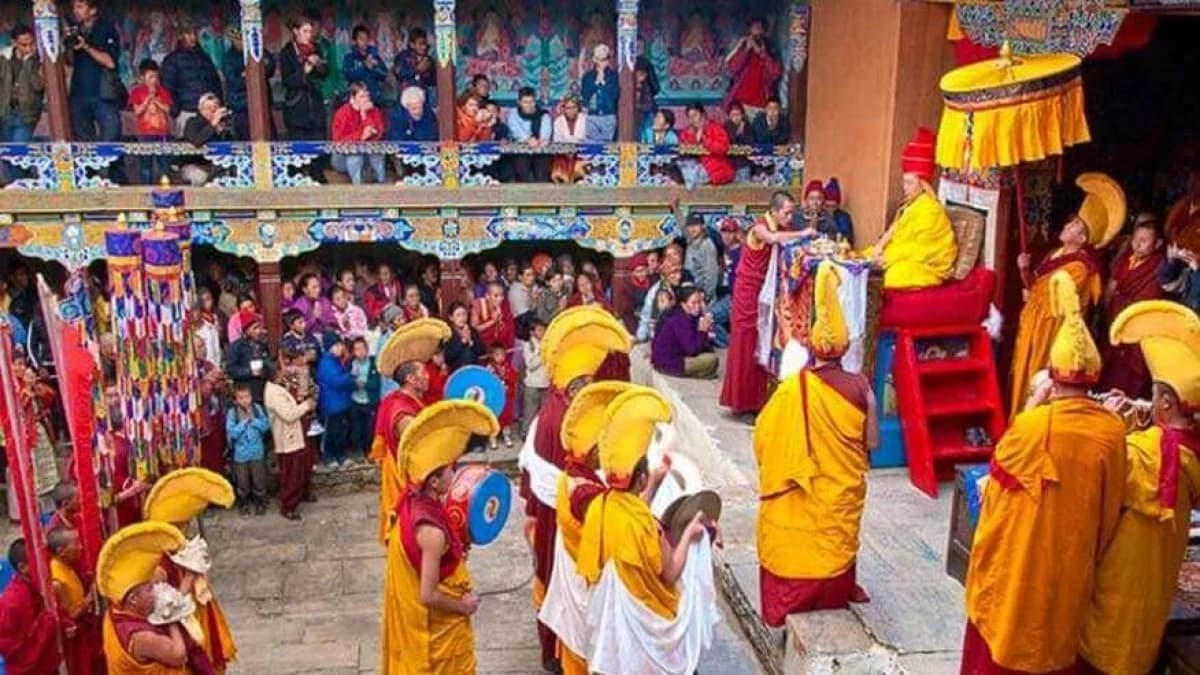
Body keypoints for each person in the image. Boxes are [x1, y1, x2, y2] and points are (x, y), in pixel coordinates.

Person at [962, 271, 1126, 674]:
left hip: (1018, 561)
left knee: (1007, 626)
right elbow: (1111, 509)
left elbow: (996, 480)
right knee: (1054, 636)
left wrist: (1035, 399)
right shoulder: (1111, 431)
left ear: (1052, 377)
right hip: (1070, 562)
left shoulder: (1033, 426)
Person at [752, 261, 877, 625]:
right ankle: (836, 589)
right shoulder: (862, 387)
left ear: (814, 348)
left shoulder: (795, 387)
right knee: (836, 531)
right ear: (844, 347)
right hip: (839, 490)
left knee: (795, 527)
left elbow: (764, 435)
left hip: (801, 492)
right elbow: (870, 442)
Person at [1080, 300, 1200, 675]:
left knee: (1108, 646)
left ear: (1164, 402)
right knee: (1140, 639)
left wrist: (1111, 424)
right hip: (1157, 581)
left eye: (1155, 394)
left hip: (1119, 577)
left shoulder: (1146, 451)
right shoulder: (1188, 452)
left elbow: (1104, 474)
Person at [519, 306, 632, 671]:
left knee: (554, 581)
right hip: (570, 520)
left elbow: (530, 476)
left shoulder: (550, 408)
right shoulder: (567, 420)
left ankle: (555, 652)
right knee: (574, 588)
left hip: (553, 514)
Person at [575, 387, 715, 674]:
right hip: (646, 617)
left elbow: (633, 508)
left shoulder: (602, 506)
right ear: (638, 478)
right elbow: (670, 572)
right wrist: (690, 534)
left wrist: (653, 483)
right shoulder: (647, 526)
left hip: (615, 622)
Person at [379, 400, 498, 673]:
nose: (454, 474)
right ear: (433, 481)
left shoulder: (410, 500)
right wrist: (462, 606)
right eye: (448, 470)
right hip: (438, 632)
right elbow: (428, 595)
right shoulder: (431, 531)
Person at [538, 381, 633, 674]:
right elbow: (611, 534)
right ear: (591, 452)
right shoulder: (586, 493)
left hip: (572, 571)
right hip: (584, 580)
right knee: (585, 648)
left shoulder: (573, 475)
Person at [1009, 175, 1122, 418]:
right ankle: (1017, 420)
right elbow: (1035, 287)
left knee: (1037, 377)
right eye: (1071, 223)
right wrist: (1024, 270)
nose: (1068, 227)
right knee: (1021, 373)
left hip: (1049, 328)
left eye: (1076, 228)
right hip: (1032, 321)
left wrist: (1032, 294)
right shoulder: (1055, 253)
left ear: (1082, 240)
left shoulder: (1081, 268)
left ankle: (1031, 420)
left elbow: (1053, 300)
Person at [720, 191, 805, 418]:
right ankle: (741, 402)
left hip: (765, 294)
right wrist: (805, 232)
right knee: (747, 346)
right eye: (786, 213)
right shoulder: (759, 228)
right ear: (774, 211)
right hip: (748, 293)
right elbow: (773, 239)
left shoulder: (780, 228)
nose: (789, 217)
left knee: (762, 344)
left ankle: (757, 401)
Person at [371, 318, 448, 543]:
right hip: (407, 485)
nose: (427, 376)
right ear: (410, 379)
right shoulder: (402, 412)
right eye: (423, 373)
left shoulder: (401, 400)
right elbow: (419, 453)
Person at [94, 522, 200, 674]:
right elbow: (179, 655)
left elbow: (167, 594)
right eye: (149, 589)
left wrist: (188, 578)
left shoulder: (118, 608)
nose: (156, 591)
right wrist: (171, 618)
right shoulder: (142, 637)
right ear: (134, 599)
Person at [864, 127, 957, 290]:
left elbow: (922, 251)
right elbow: (895, 232)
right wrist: (879, 249)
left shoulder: (931, 210)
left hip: (927, 266)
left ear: (923, 184)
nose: (904, 187)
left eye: (909, 183)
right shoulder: (910, 205)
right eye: (904, 182)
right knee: (862, 260)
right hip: (903, 255)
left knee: (889, 277)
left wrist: (888, 258)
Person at [1099, 218, 1165, 399]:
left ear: (1157, 243)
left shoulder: (1158, 266)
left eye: (1145, 240)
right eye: (1136, 238)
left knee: (1129, 375)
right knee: (1110, 368)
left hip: (1137, 329)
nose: (1138, 243)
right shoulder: (1125, 261)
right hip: (1116, 322)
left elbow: (1151, 298)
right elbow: (1114, 288)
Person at [1, 538, 61, 674]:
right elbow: (11, 648)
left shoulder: (39, 585)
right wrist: (47, 623)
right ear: (23, 567)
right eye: (41, 561)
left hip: (48, 662)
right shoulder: (12, 602)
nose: (47, 565)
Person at [67, 0, 122, 146]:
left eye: (80, 7)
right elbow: (69, 62)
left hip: (103, 95)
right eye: (74, 7)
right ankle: (90, 170)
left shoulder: (106, 29)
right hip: (78, 94)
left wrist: (86, 46)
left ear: (92, 10)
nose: (75, 11)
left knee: (111, 141)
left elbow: (110, 62)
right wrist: (67, 44)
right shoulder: (75, 31)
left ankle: (114, 169)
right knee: (83, 146)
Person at [265, 365, 316, 520]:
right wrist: (307, 405)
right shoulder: (273, 393)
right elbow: (288, 414)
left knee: (297, 471)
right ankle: (289, 505)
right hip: (287, 439)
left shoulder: (278, 387)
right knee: (291, 474)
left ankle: (295, 498)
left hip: (292, 436)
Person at [48, 527, 101, 675]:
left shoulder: (66, 565)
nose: (81, 547)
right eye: (76, 544)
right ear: (61, 551)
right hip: (77, 636)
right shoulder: (57, 581)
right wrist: (90, 599)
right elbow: (70, 615)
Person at [280, 15, 328, 176]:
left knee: (317, 145)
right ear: (295, 31)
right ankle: (296, 179)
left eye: (310, 31)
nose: (309, 34)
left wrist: (318, 64)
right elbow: (287, 81)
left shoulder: (316, 48)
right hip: (297, 105)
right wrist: (305, 68)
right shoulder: (287, 52)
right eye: (305, 31)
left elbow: (323, 74)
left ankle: (317, 175)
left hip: (314, 103)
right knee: (298, 148)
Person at [161, 23, 223, 137]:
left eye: (195, 33)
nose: (193, 37)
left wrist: (218, 106)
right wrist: (176, 111)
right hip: (187, 112)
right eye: (188, 33)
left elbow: (215, 83)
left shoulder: (204, 58)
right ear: (180, 36)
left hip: (209, 113)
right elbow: (167, 88)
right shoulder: (172, 60)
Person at [652, 287, 718, 379]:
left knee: (709, 356)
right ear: (683, 304)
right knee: (712, 360)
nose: (698, 306)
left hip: (677, 356)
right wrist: (703, 331)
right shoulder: (680, 320)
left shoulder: (690, 316)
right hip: (669, 363)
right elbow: (691, 350)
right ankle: (700, 374)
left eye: (699, 302)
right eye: (693, 303)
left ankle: (704, 374)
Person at [226, 382, 271, 515]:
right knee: (242, 481)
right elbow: (231, 432)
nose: (244, 400)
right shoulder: (232, 413)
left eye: (246, 397)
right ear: (235, 400)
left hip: (257, 451)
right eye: (240, 398)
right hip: (241, 454)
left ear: (251, 397)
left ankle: (260, 502)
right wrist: (244, 422)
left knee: (259, 479)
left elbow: (266, 426)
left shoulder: (257, 409)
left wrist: (254, 421)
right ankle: (244, 503)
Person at [224, 26, 276, 140]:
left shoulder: (258, 51)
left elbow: (270, 66)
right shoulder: (229, 59)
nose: (241, 42)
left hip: (262, 105)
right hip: (241, 107)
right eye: (238, 39)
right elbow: (234, 84)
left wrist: (257, 69)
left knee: (269, 140)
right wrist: (248, 75)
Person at [331, 82, 387, 185]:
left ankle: (381, 184)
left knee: (377, 153)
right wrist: (360, 136)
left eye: (367, 96)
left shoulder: (375, 111)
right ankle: (358, 188)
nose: (366, 99)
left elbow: (379, 133)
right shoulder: (343, 113)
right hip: (343, 156)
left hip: (367, 154)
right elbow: (338, 140)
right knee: (355, 156)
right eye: (362, 96)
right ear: (353, 98)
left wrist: (364, 115)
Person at [127, 59, 173, 184]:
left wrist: (157, 100)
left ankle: (167, 191)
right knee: (146, 167)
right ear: (142, 78)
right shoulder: (136, 92)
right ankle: (146, 191)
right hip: (145, 134)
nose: (154, 80)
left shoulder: (163, 91)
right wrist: (148, 99)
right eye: (150, 76)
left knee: (165, 166)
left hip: (163, 134)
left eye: (156, 76)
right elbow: (137, 112)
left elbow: (168, 110)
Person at [724, 17, 782, 114]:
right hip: (740, 102)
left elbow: (775, 73)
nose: (757, 31)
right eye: (754, 28)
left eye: (759, 28)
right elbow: (732, 69)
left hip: (761, 102)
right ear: (749, 30)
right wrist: (746, 50)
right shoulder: (742, 46)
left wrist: (762, 54)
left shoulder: (770, 48)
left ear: (764, 31)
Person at [0, 25, 44, 146]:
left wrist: (29, 62)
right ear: (14, 43)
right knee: (6, 152)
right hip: (5, 112)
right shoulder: (3, 58)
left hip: (26, 114)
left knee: (19, 150)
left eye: (31, 44)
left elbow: (38, 86)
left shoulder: (39, 60)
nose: (28, 48)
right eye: (24, 45)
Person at [317, 337, 356, 469]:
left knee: (340, 431)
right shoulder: (326, 362)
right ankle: (329, 456)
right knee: (331, 432)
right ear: (331, 347)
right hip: (331, 404)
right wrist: (352, 376)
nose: (341, 348)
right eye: (338, 345)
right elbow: (336, 382)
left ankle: (340, 455)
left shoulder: (335, 361)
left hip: (341, 403)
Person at [181, 92, 235, 186]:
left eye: (215, 108)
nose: (212, 111)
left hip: (219, 165)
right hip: (195, 164)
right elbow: (197, 141)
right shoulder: (192, 122)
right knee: (200, 177)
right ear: (201, 110)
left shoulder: (223, 123)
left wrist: (223, 130)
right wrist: (213, 124)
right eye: (209, 108)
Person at [678, 104, 733, 189]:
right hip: (695, 167)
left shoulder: (716, 128)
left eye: (695, 115)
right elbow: (682, 148)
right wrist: (692, 136)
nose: (693, 119)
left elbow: (723, 148)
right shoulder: (687, 132)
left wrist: (704, 139)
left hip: (715, 169)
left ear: (703, 115)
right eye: (690, 117)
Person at [225, 310, 274, 402]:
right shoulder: (237, 347)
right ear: (246, 330)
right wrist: (250, 372)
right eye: (255, 328)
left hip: (263, 389)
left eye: (260, 327)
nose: (259, 331)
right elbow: (231, 370)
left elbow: (267, 361)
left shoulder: (262, 345)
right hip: (246, 391)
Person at [510, 87, 552, 183]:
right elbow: (515, 130)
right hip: (521, 151)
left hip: (540, 150)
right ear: (519, 102)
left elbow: (546, 133)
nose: (529, 105)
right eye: (525, 102)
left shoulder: (543, 114)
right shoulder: (513, 114)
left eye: (532, 102)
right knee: (521, 168)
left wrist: (541, 140)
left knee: (542, 171)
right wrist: (527, 139)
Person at [349, 337, 380, 458]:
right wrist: (353, 383)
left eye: (362, 348)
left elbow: (377, 382)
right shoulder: (351, 363)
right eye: (357, 349)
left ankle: (369, 449)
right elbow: (347, 380)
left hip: (370, 400)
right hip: (356, 400)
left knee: (370, 427)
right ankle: (357, 449)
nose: (360, 352)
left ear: (367, 349)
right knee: (357, 427)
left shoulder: (374, 363)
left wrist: (365, 384)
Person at [580, 44, 618, 142]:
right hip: (593, 116)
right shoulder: (588, 77)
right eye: (600, 59)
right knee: (592, 146)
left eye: (605, 59)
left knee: (607, 146)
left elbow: (614, 95)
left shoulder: (613, 76)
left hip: (608, 115)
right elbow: (585, 95)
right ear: (594, 59)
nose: (602, 63)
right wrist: (596, 82)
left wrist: (604, 82)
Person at [343, 25, 388, 104]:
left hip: (374, 98)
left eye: (366, 39)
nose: (364, 42)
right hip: (357, 99)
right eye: (361, 39)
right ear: (354, 41)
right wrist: (364, 66)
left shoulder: (374, 56)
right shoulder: (349, 57)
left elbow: (384, 74)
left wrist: (374, 68)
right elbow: (348, 75)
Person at [486, 342, 518, 447]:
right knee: (493, 416)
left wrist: (508, 379)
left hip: (506, 396)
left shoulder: (508, 367)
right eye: (497, 355)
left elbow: (514, 379)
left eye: (502, 355)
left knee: (506, 417)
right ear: (492, 356)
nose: (500, 357)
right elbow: (487, 382)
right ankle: (492, 437)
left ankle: (506, 435)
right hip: (494, 398)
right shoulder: (489, 368)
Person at [551, 95, 588, 184]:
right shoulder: (558, 121)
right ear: (564, 109)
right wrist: (568, 148)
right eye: (568, 108)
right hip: (564, 153)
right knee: (561, 159)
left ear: (578, 108)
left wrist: (573, 145)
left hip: (581, 152)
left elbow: (585, 139)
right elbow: (557, 141)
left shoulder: (585, 119)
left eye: (574, 107)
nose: (571, 110)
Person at [684, 213, 720, 301]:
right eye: (690, 225)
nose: (692, 229)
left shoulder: (706, 245)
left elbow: (711, 274)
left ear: (703, 226)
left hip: (702, 297)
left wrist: (707, 296)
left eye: (696, 225)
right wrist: (676, 209)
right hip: (692, 294)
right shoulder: (692, 240)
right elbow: (682, 226)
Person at [522, 318, 549, 434]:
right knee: (530, 412)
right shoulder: (528, 345)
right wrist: (541, 352)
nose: (542, 332)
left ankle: (541, 435)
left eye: (543, 329)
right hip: (532, 384)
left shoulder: (548, 344)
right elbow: (530, 365)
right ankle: (526, 433)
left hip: (546, 383)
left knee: (544, 413)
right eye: (539, 330)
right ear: (532, 332)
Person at [471, 282, 516, 351]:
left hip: (501, 344)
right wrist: (493, 321)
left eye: (501, 296)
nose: (499, 299)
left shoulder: (504, 306)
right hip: (483, 344)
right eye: (496, 296)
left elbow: (510, 326)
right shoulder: (479, 305)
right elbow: (474, 329)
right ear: (487, 296)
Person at [1165, 168, 1200, 253]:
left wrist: (1175, 238)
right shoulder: (1182, 203)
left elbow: (1196, 246)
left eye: (1197, 181)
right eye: (1190, 180)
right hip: (1169, 254)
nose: (1191, 184)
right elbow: (1166, 229)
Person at [393, 27, 435, 95]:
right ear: (412, 45)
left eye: (425, 44)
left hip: (423, 98)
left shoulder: (428, 60)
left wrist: (427, 72)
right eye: (420, 44)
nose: (424, 47)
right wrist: (417, 69)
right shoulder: (403, 57)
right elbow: (399, 74)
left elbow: (433, 82)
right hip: (406, 97)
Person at [446, 302, 485, 371]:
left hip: (474, 369)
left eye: (464, 314)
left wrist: (471, 341)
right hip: (458, 372)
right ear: (451, 317)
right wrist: (463, 341)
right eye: (458, 315)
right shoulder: (448, 333)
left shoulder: (472, 330)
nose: (462, 318)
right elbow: (448, 357)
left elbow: (481, 351)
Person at [823, 178, 855, 246]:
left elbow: (847, 238)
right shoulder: (820, 215)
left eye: (833, 206)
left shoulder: (843, 217)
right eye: (827, 206)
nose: (830, 209)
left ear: (838, 205)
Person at [634, 57, 659, 135]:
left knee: (648, 132)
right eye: (640, 72)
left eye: (644, 72)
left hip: (647, 113)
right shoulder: (628, 83)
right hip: (635, 115)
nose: (643, 75)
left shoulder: (647, 85)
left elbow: (648, 105)